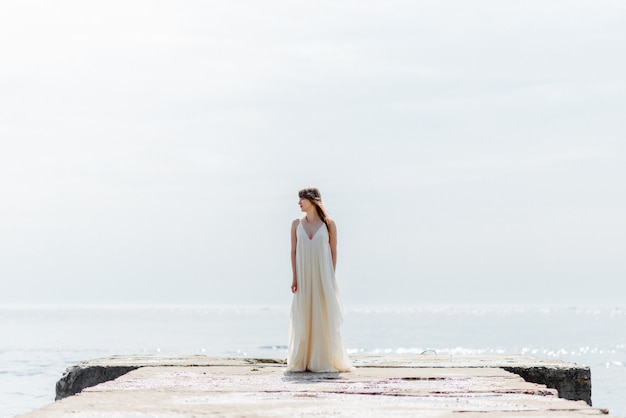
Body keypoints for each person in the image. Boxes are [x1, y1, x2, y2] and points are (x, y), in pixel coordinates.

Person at [286, 187, 352, 372]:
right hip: (304, 277)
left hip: (323, 277)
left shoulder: (329, 225)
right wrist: (294, 278)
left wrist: (331, 276)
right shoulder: (295, 224)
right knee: (303, 315)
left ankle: (322, 358)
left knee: (323, 315)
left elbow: (333, 251)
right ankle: (303, 359)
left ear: (312, 200)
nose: (299, 203)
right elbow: (293, 251)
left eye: (302, 199)